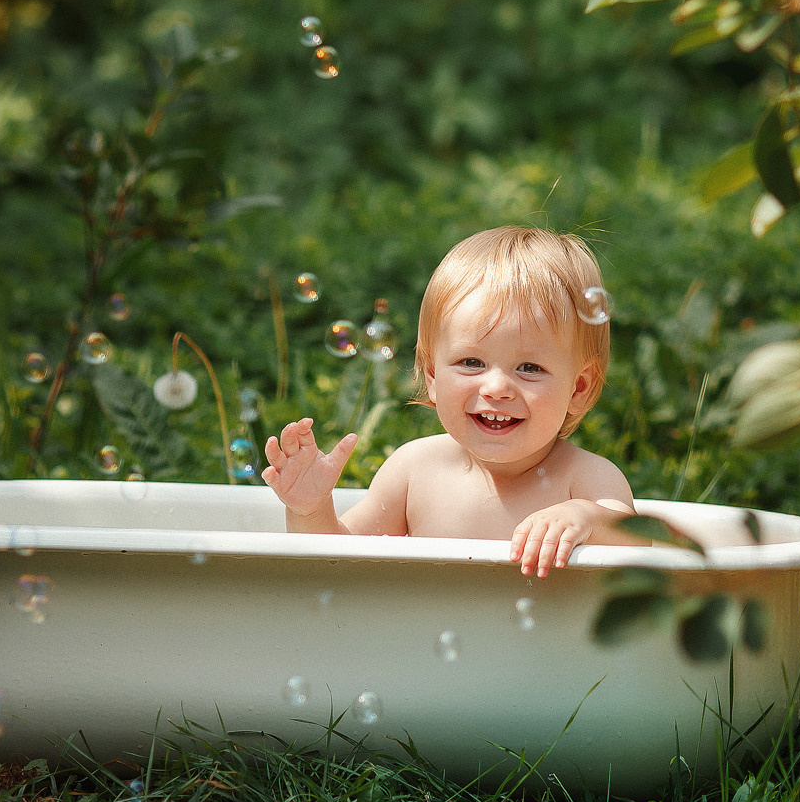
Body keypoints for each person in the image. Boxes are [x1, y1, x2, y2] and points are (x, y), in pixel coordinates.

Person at [262, 226, 645, 577]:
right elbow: (336, 564)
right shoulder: (414, 470)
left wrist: (586, 518)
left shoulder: (586, 479)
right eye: (471, 362)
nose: (497, 387)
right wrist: (310, 509)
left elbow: (642, 546)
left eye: (530, 367)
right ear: (431, 375)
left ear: (578, 388)